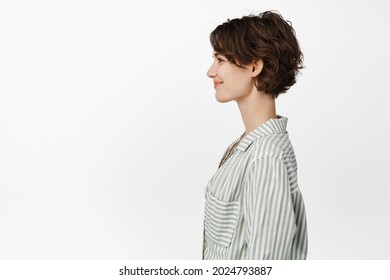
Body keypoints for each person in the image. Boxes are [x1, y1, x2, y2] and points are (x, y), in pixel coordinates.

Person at [202, 11, 308, 260]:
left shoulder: (265, 157)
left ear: (254, 66)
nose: (210, 71)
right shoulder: (246, 147)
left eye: (220, 60)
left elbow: (267, 266)